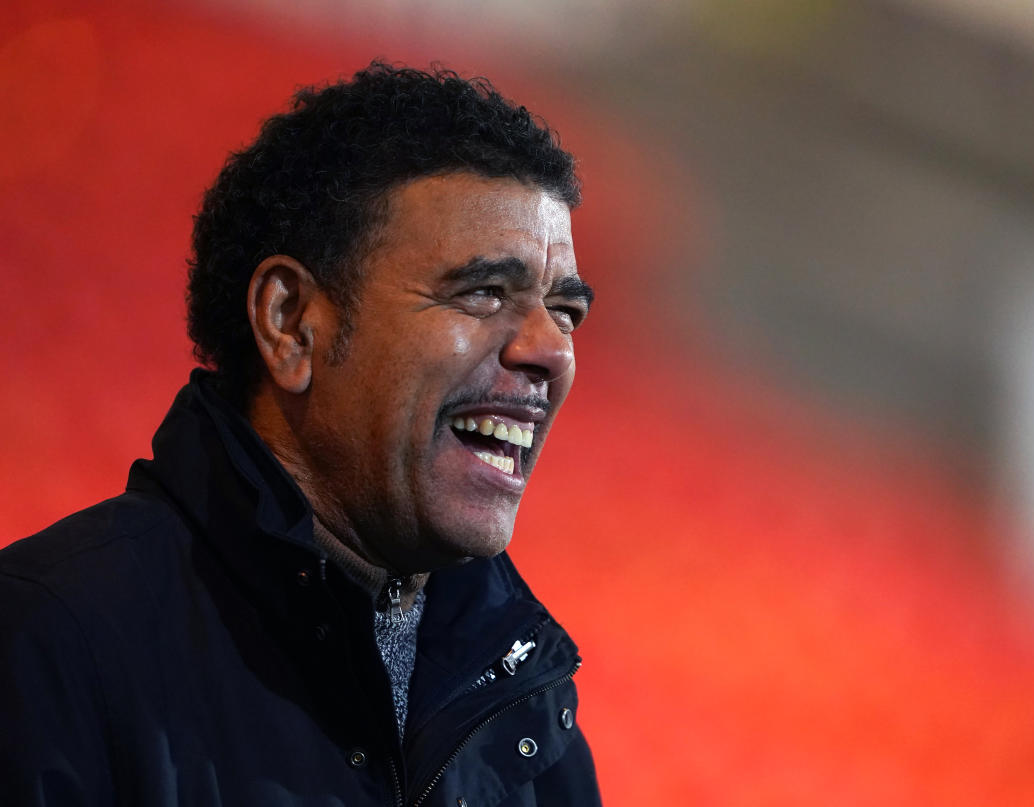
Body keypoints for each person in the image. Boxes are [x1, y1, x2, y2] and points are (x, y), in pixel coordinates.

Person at [0, 62, 601, 807]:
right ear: (292, 324)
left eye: (566, 310)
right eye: (483, 291)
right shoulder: (47, 644)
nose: (552, 351)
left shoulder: (528, 712)